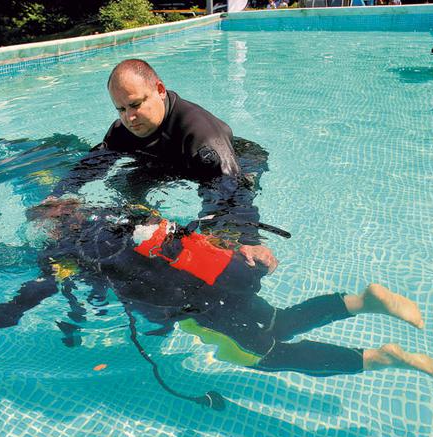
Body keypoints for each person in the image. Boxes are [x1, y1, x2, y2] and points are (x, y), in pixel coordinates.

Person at [0, 198, 433, 380]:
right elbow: (196, 236)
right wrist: (243, 250)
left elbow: (20, 304)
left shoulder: (70, 257)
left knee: (266, 357)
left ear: (53, 230)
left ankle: (380, 355)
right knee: (275, 325)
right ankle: (364, 300)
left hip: (199, 306)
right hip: (225, 282)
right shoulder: (126, 218)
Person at [51, 59, 279, 275]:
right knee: (122, 185)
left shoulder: (202, 135)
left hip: (235, 161)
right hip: (169, 162)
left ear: (160, 90)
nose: (129, 118)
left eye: (135, 105)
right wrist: (60, 195)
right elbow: (97, 160)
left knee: (217, 223)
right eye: (120, 109)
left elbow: (231, 185)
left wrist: (249, 239)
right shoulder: (125, 129)